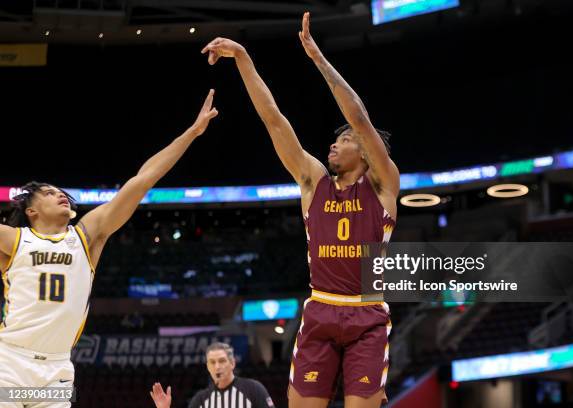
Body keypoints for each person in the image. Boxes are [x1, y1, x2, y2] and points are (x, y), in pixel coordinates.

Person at [201, 11, 399, 408]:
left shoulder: (382, 184)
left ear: (363, 149)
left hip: (367, 315)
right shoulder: (314, 181)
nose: (333, 145)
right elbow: (273, 120)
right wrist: (243, 58)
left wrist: (318, 59)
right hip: (320, 310)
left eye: (343, 141)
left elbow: (358, 118)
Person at [0, 89, 219, 406]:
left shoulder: (87, 236)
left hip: (56, 369)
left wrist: (192, 133)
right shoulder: (14, 240)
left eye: (60, 191)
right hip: (10, 361)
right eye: (48, 193)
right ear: (31, 211)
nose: (59, 194)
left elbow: (143, 179)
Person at [150, 342, 275, 408]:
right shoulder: (201, 399)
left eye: (221, 361)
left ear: (232, 363)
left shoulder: (253, 389)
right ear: (208, 367)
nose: (217, 366)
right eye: (212, 362)